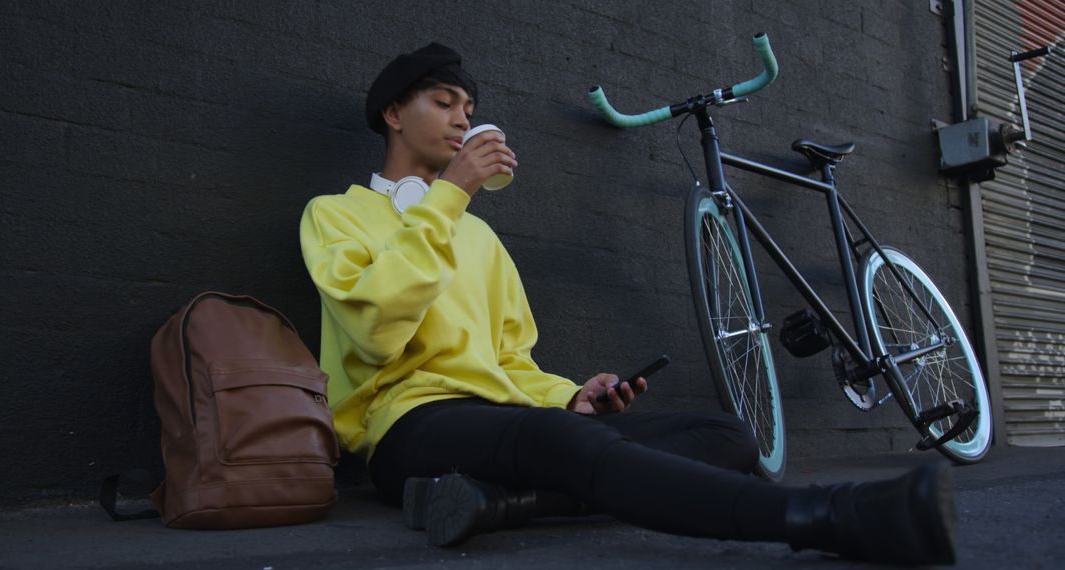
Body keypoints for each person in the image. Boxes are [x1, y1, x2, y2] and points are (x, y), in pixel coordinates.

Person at [299, 42, 958, 565]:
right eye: (444, 103)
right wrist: (450, 196)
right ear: (393, 113)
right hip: (406, 428)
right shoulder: (337, 217)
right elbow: (378, 334)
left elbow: (507, 360)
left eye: (468, 108)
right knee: (553, 438)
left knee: (727, 435)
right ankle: (829, 517)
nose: (464, 120)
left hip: (511, 420)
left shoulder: (479, 237)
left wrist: (570, 395)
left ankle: (499, 503)